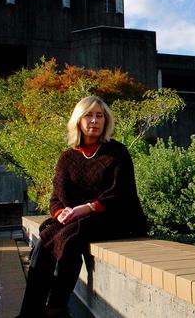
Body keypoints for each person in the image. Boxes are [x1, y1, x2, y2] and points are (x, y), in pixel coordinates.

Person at [17, 96, 148, 318]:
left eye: (100, 116)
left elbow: (121, 194)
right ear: (78, 120)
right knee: (49, 235)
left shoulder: (117, 152)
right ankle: (33, 311)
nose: (95, 121)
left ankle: (55, 306)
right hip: (77, 220)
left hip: (115, 217)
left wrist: (85, 208)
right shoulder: (67, 158)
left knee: (69, 235)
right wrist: (62, 213)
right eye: (89, 115)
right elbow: (55, 199)